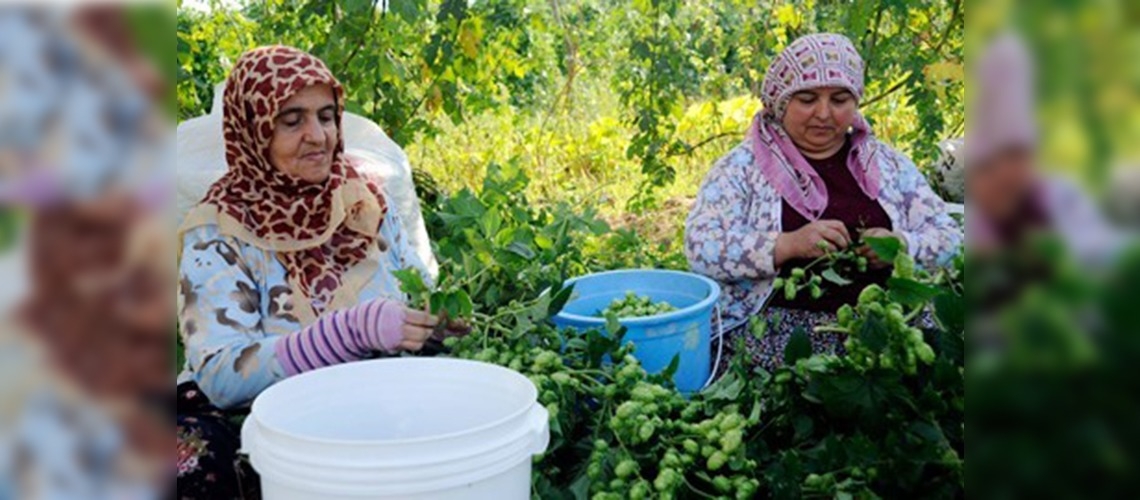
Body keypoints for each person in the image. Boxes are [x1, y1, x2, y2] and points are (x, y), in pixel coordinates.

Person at [175, 45, 465, 498]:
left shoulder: (364, 200)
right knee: (195, 464)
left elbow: (416, 294)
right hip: (263, 421)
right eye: (292, 121)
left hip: (372, 398)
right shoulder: (218, 231)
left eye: (326, 116)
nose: (319, 136)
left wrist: (435, 324)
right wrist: (347, 333)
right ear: (255, 131)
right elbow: (222, 374)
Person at [685, 33, 962, 371]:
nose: (824, 114)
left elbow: (949, 236)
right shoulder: (742, 168)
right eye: (807, 98)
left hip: (887, 324)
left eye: (840, 99)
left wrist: (901, 244)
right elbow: (701, 247)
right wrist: (786, 245)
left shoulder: (886, 165)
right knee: (802, 387)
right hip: (776, 331)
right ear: (780, 101)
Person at [965, 33, 1125, 265]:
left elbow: (1107, 254)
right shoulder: (976, 226)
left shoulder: (1063, 200)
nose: (1006, 173)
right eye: (988, 166)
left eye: (1016, 155)